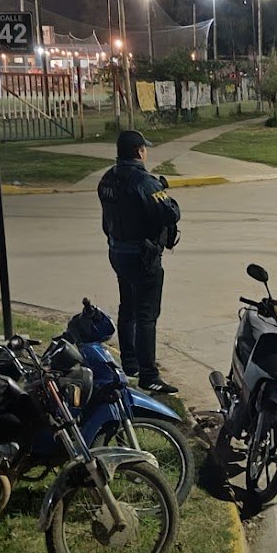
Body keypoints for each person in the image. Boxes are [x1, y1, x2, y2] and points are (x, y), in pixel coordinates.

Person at [98, 129, 182, 394]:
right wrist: (168, 197)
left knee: (128, 308)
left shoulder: (107, 179)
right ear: (138, 152)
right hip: (143, 257)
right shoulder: (145, 181)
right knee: (146, 315)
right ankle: (149, 374)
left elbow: (107, 219)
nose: (146, 152)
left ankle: (130, 363)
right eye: (144, 148)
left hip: (118, 252)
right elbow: (169, 214)